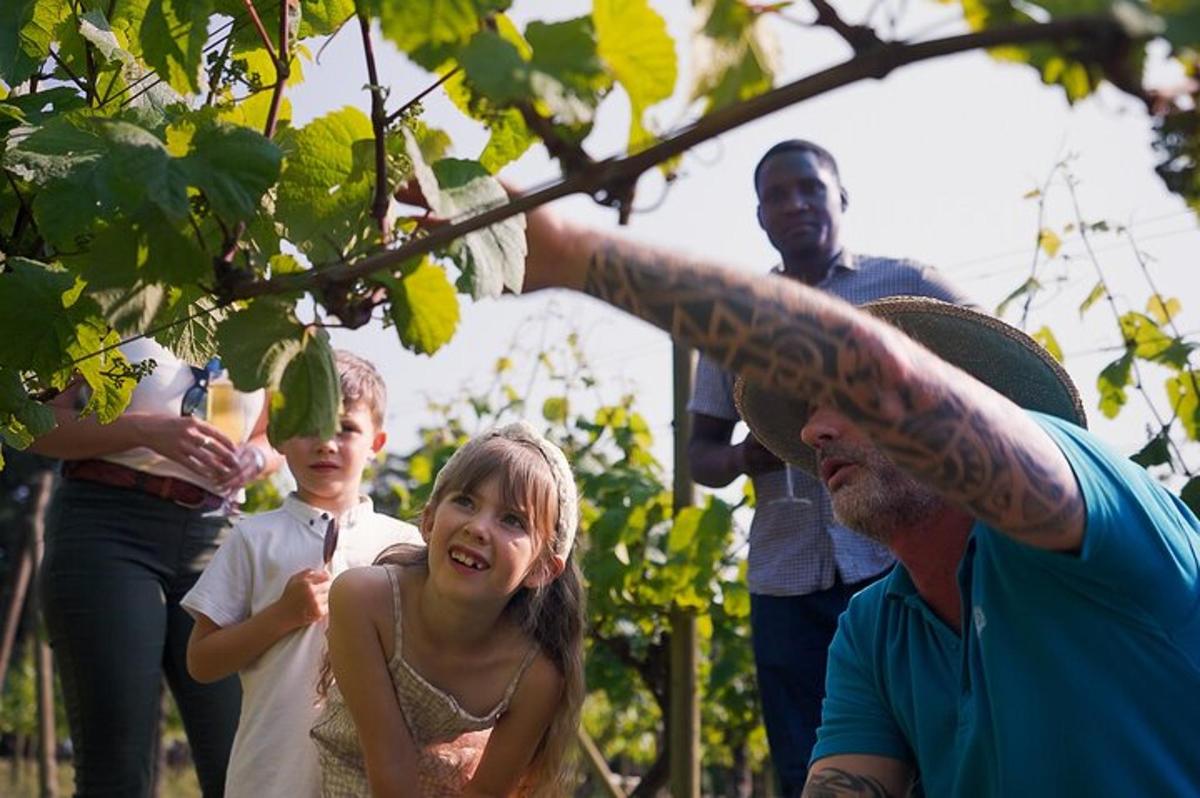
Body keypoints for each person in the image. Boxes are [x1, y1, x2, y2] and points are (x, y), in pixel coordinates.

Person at [515, 198, 1200, 796]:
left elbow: (891, 377)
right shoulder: (875, 628)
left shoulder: (1084, 502)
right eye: (809, 408)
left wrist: (576, 255)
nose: (813, 430)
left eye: (841, 398)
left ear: (968, 400)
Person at [687, 139, 969, 791]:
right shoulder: (733, 317)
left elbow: (990, 382)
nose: (795, 204)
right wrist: (744, 454)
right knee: (807, 762)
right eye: (776, 195)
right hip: (786, 576)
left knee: (927, 744)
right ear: (759, 217)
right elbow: (701, 455)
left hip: (896, 557)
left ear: (841, 199)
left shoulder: (908, 287)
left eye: (810, 188)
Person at [31, 337, 279, 796]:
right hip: (107, 528)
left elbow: (273, 433)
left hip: (216, 539)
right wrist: (143, 430)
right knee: (117, 767)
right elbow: (35, 424)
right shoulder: (107, 301)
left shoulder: (254, 310)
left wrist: (258, 456)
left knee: (241, 763)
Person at [181, 350, 422, 798]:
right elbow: (201, 661)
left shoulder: (406, 548)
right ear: (279, 436)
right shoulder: (252, 538)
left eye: (346, 428)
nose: (326, 442)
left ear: (376, 443)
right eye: (310, 424)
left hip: (371, 778)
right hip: (270, 775)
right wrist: (281, 616)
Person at [310, 421, 585, 797]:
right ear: (429, 519)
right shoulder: (363, 600)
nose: (478, 527)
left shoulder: (534, 675)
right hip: (345, 771)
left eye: (512, 520)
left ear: (540, 569)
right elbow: (389, 766)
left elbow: (487, 792)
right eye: (466, 501)